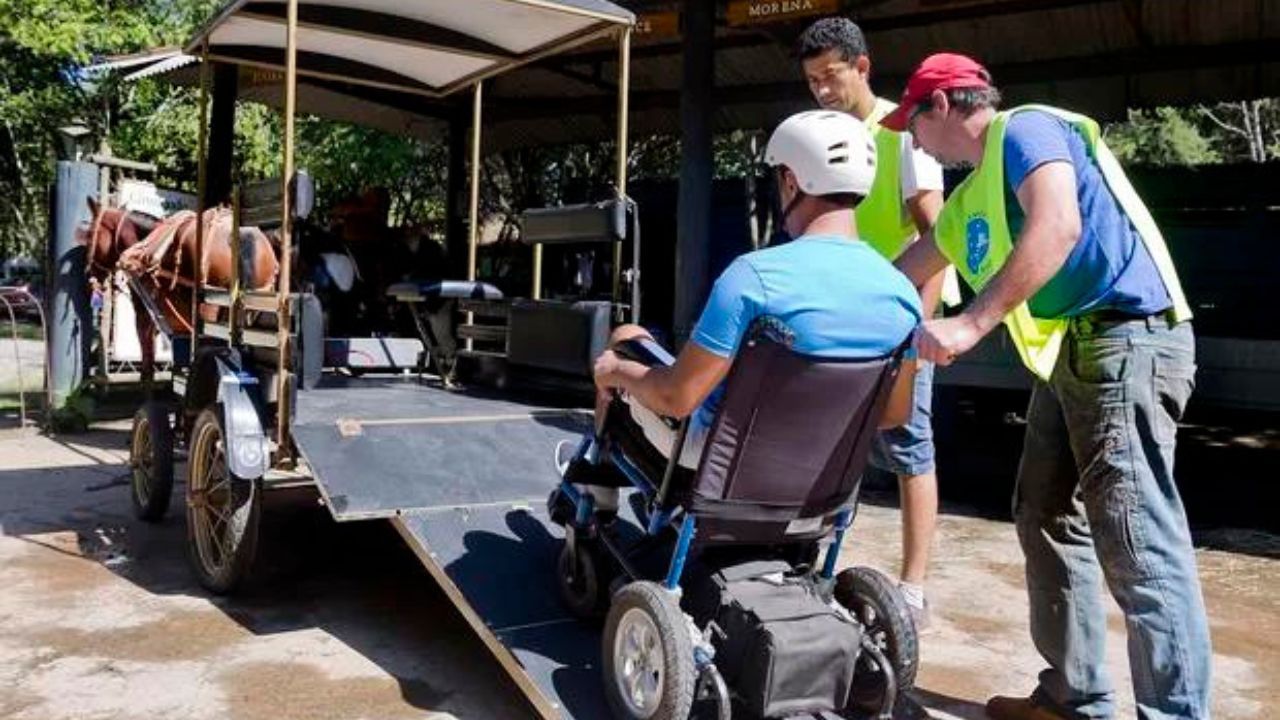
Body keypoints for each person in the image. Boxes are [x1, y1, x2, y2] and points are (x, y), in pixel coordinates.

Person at [885, 53, 1209, 720]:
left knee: (1138, 544)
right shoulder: (971, 194)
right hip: (1075, 356)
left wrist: (971, 323)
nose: (911, 140)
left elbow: (1058, 224)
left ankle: (1176, 714)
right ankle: (1074, 697)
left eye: (912, 123)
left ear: (943, 105)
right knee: (1044, 514)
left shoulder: (1024, 130)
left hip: (1127, 340)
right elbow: (908, 267)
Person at [564, 110, 923, 506]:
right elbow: (893, 413)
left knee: (626, 339)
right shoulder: (903, 295)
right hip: (825, 471)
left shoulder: (753, 277)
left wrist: (616, 370)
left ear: (790, 180)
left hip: (723, 463)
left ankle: (597, 498)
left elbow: (676, 398)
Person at [794, 16, 954, 626]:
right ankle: (810, 562)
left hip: (900, 318)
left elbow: (937, 235)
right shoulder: (817, 135)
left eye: (830, 76)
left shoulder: (902, 135)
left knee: (910, 445)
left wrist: (919, 329)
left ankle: (912, 588)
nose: (822, 91)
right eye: (812, 81)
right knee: (829, 440)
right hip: (844, 316)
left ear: (861, 67)